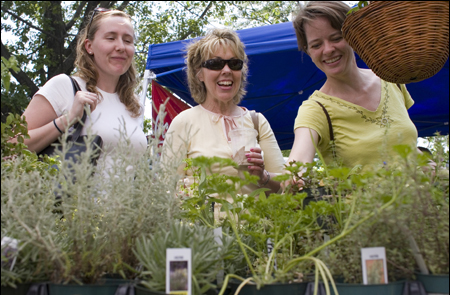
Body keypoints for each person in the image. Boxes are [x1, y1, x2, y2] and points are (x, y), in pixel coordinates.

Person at [288, 1, 418, 176]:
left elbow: (403, 146)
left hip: (419, 201)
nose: (328, 50)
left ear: (354, 36)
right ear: (308, 51)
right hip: (365, 204)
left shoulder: (390, 78)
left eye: (336, 38)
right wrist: (287, 178)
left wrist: (430, 167)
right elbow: (297, 166)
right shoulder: (315, 110)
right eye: (316, 45)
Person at [17, 8, 147, 175]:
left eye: (128, 41)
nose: (121, 46)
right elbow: (12, 146)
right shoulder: (65, 86)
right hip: (70, 200)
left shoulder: (134, 105)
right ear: (89, 46)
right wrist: (68, 119)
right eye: (111, 38)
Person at [162, 28, 285, 200]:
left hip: (256, 225)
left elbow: (284, 185)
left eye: (234, 64)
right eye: (215, 64)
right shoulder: (184, 122)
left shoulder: (257, 121)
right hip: (203, 225)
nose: (226, 70)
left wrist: (263, 176)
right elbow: (168, 188)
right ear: (199, 73)